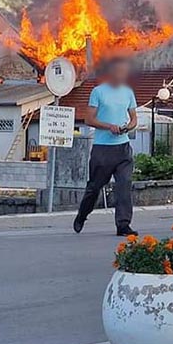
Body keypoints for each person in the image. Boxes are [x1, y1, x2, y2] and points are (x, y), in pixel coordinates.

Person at [73, 56, 138, 236]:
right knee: (94, 187)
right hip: (103, 149)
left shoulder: (128, 92)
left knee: (124, 185)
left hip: (123, 148)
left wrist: (127, 127)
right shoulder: (98, 92)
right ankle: (82, 214)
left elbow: (134, 119)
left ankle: (123, 225)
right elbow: (89, 119)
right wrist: (109, 126)